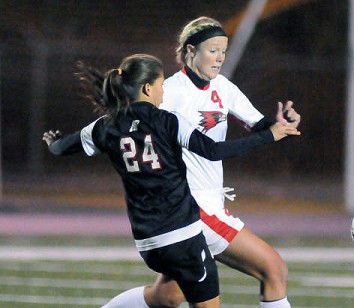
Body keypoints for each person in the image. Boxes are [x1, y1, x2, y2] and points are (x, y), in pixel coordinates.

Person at [42, 54, 300, 308]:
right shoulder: (167, 121)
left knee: (166, 297)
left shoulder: (105, 126)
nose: (162, 91)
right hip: (183, 236)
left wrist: (53, 141)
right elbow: (214, 151)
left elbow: (62, 147)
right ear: (146, 87)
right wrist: (269, 136)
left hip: (148, 242)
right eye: (160, 84)